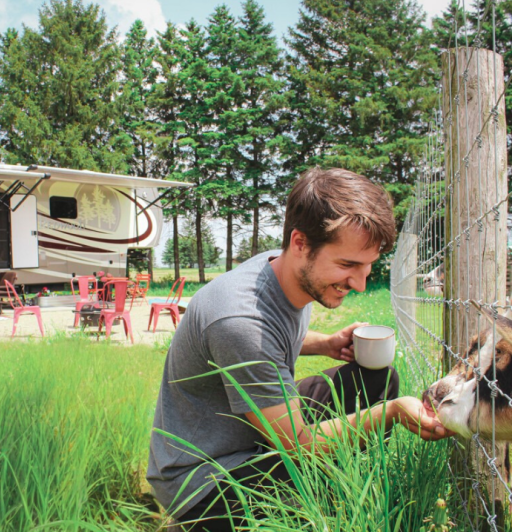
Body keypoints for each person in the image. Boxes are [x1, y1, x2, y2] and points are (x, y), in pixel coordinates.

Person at [147, 168, 452, 531]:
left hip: (251, 429)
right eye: (347, 265)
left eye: (368, 267)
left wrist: (327, 343)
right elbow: (299, 445)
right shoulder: (240, 321)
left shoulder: (277, 270)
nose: (358, 282)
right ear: (300, 243)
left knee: (375, 380)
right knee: (369, 418)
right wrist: (393, 413)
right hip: (207, 476)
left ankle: (335, 493)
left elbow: (273, 337)